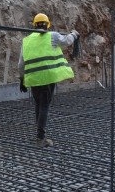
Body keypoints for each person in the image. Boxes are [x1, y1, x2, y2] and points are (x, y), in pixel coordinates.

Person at [19, 13, 78, 147]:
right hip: (47, 78)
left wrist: (21, 79)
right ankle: (40, 139)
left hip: (33, 79)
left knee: (39, 105)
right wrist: (74, 34)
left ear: (34, 25)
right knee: (44, 106)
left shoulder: (26, 40)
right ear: (48, 25)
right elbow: (67, 41)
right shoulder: (53, 36)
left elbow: (20, 64)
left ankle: (39, 135)